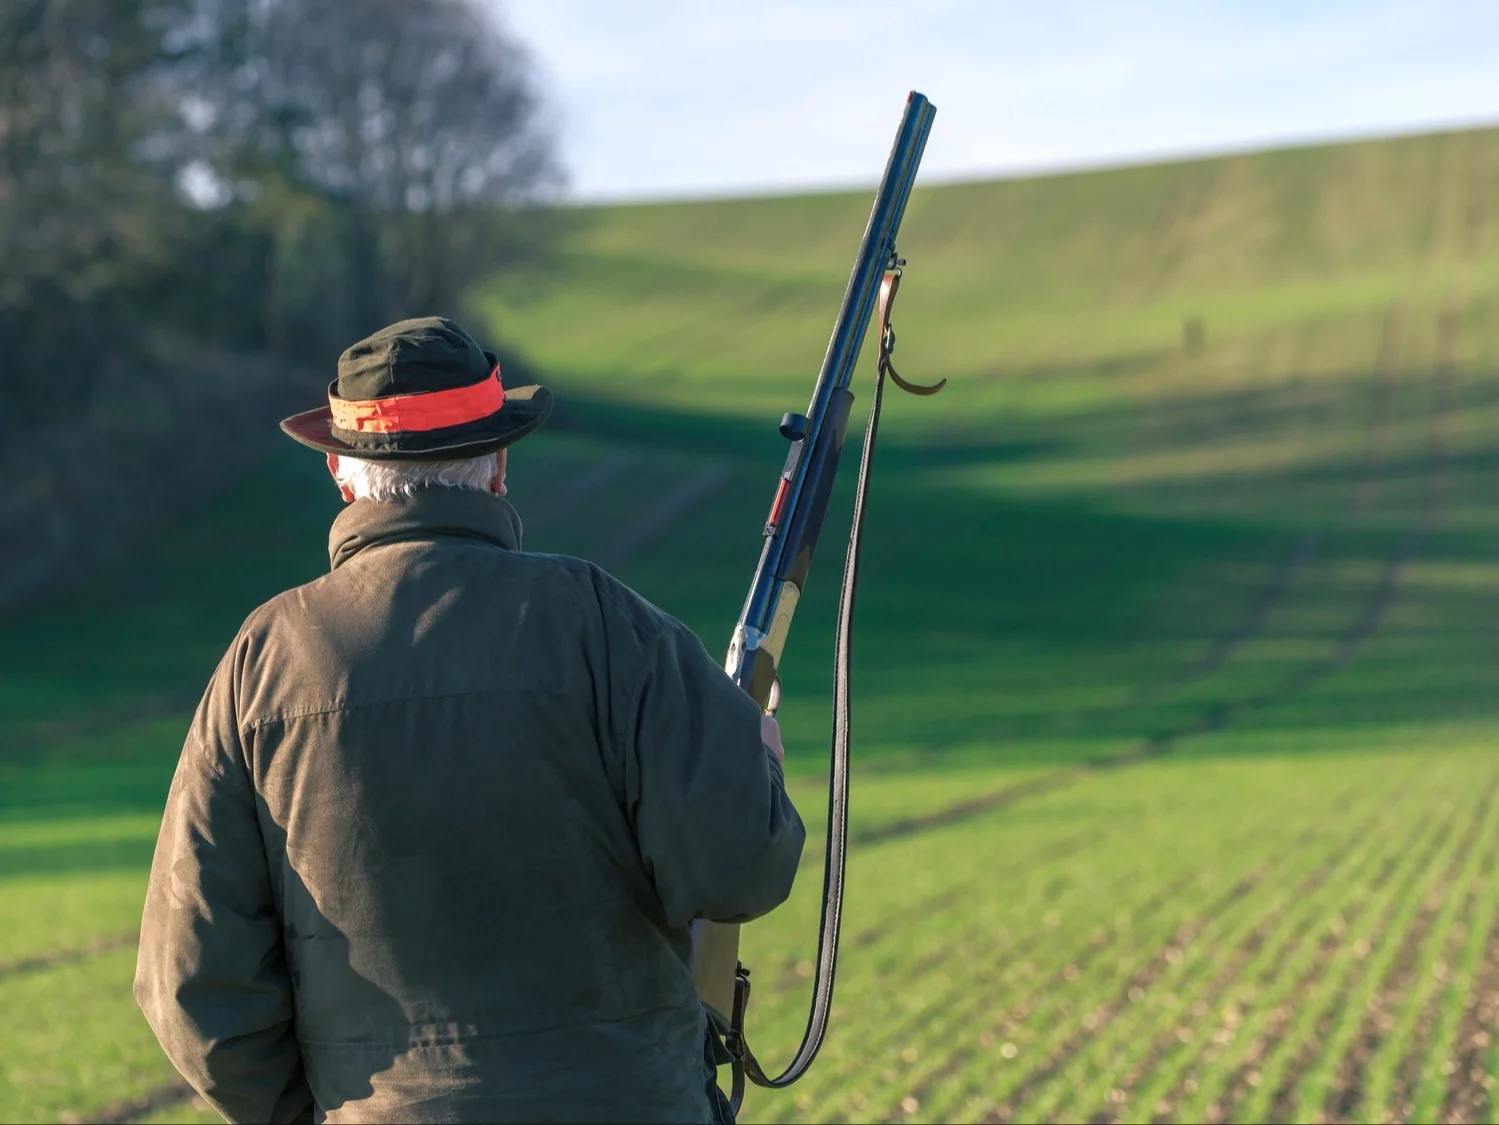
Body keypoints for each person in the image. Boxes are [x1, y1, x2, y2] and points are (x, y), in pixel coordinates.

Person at [134, 316, 806, 1124]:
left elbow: (193, 984)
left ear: (344, 478)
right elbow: (739, 868)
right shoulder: (607, 623)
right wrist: (756, 758)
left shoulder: (261, 661)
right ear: (498, 468)